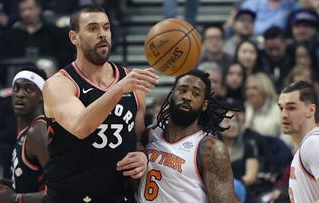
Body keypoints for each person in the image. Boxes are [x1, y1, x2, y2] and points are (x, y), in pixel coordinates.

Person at [42, 4, 159, 202]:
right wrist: (119, 89)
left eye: (106, 27)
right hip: (68, 197)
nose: (102, 34)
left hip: (117, 196)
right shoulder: (59, 84)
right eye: (93, 28)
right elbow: (81, 126)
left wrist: (142, 157)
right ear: (74, 37)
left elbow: (137, 140)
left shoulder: (131, 83)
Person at [138, 70, 239, 202]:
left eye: (195, 94)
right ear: (171, 95)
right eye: (183, 90)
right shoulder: (149, 134)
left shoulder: (210, 148)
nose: (187, 97)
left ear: (204, 105)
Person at [0, 67, 49, 203]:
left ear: (41, 96)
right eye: (16, 88)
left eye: (29, 89)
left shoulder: (38, 131)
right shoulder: (25, 129)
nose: (20, 94)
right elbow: (26, 184)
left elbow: (60, 191)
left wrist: (16, 199)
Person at [278, 81, 319, 202]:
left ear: (311, 110)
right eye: (281, 108)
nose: (283, 114)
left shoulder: (314, 144)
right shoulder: (305, 147)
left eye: (291, 108)